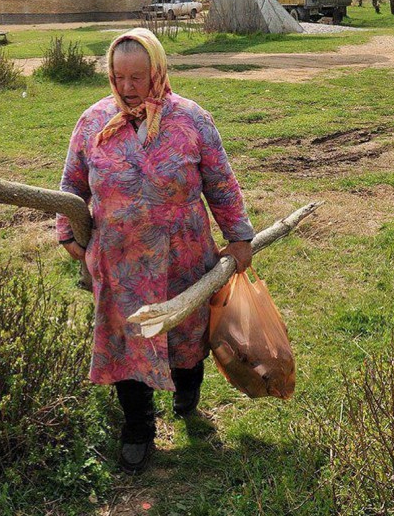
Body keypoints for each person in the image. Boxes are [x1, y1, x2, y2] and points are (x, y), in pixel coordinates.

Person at [56, 28, 254, 474]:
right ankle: (138, 429)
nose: (127, 88)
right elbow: (72, 184)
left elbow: (221, 184)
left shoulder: (193, 121)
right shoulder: (92, 123)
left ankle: (188, 391)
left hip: (183, 258)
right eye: (118, 76)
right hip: (119, 262)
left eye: (139, 77)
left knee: (187, 341)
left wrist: (239, 236)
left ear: (159, 72)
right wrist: (68, 232)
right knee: (126, 343)